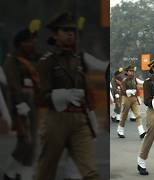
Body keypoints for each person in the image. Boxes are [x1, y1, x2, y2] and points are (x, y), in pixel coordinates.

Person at [35, 12, 99, 180]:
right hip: (56, 120)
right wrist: (62, 95)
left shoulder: (79, 59)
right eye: (65, 30)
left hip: (79, 120)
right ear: (55, 35)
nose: (71, 33)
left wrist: (91, 115)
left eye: (72, 30)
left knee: (90, 172)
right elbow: (41, 96)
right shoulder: (47, 61)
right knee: (46, 170)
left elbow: (85, 90)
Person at [2, 27, 40, 180]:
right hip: (20, 106)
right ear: (20, 44)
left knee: (33, 143)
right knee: (25, 141)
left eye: (33, 40)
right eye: (29, 41)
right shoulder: (12, 61)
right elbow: (13, 86)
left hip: (32, 104)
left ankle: (23, 174)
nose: (33, 43)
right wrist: (19, 105)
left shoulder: (33, 59)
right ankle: (9, 172)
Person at [117, 64, 146, 138]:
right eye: (130, 71)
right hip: (126, 99)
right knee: (124, 116)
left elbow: (142, 82)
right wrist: (129, 91)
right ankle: (120, 130)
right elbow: (122, 91)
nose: (132, 72)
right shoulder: (124, 80)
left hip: (134, 99)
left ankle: (141, 131)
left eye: (133, 71)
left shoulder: (135, 79)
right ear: (127, 72)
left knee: (138, 115)